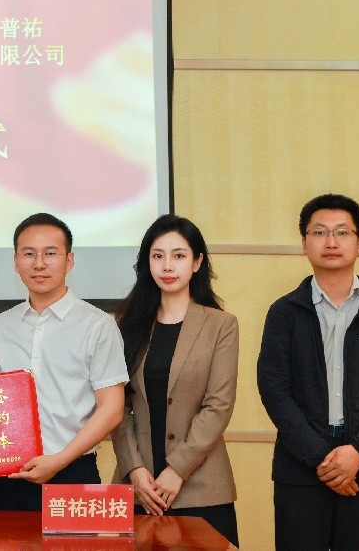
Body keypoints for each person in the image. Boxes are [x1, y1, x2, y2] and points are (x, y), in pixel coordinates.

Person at [257, 194, 359, 551]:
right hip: (300, 470)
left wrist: (358, 451)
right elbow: (274, 389)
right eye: (320, 232)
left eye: (342, 232)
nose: (331, 241)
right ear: (304, 243)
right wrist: (321, 459)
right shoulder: (284, 312)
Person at [0, 213, 128, 511]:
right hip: (8, 473)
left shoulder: (98, 325)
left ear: (69, 261)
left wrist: (59, 461)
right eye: (29, 254)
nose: (39, 263)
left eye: (50, 253)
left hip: (73, 470)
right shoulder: (2, 324)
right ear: (16, 262)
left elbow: (112, 410)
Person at [109, 215, 240, 547]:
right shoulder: (127, 325)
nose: (167, 265)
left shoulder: (221, 325)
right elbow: (116, 406)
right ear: (147, 263)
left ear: (197, 262)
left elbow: (218, 406)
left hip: (202, 488)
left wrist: (177, 470)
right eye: (158, 255)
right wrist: (135, 470)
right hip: (138, 488)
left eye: (179, 255)